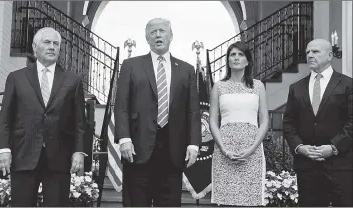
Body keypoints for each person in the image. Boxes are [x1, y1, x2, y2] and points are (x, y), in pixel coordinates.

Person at [0, 27, 87, 206]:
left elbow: (79, 122)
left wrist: (79, 151)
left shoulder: (72, 81)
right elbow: (6, 116)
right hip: (23, 154)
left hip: (59, 156)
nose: (52, 47)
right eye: (47, 42)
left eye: (56, 44)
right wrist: (3, 149)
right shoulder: (16, 78)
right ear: (35, 47)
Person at [114, 18, 201, 207]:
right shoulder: (131, 65)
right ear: (146, 37)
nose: (158, 35)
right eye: (153, 32)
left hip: (172, 150)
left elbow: (193, 110)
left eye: (162, 31)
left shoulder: (186, 69)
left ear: (171, 36)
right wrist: (124, 139)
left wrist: (194, 143)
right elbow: (121, 104)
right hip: (137, 149)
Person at [283, 38, 352, 206]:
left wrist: (333, 147)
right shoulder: (296, 87)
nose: (310, 55)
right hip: (307, 167)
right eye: (308, 52)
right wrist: (300, 147)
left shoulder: (347, 84)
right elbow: (289, 123)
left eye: (315, 51)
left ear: (329, 55)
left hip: (340, 165)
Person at [209, 41, 269, 206]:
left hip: (252, 149)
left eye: (240, 54)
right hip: (225, 150)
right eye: (232, 55)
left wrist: (251, 149)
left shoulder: (258, 86)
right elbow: (213, 120)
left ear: (247, 60)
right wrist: (224, 149)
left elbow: (264, 121)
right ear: (228, 60)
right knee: (226, 201)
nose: (236, 58)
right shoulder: (219, 86)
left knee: (249, 202)